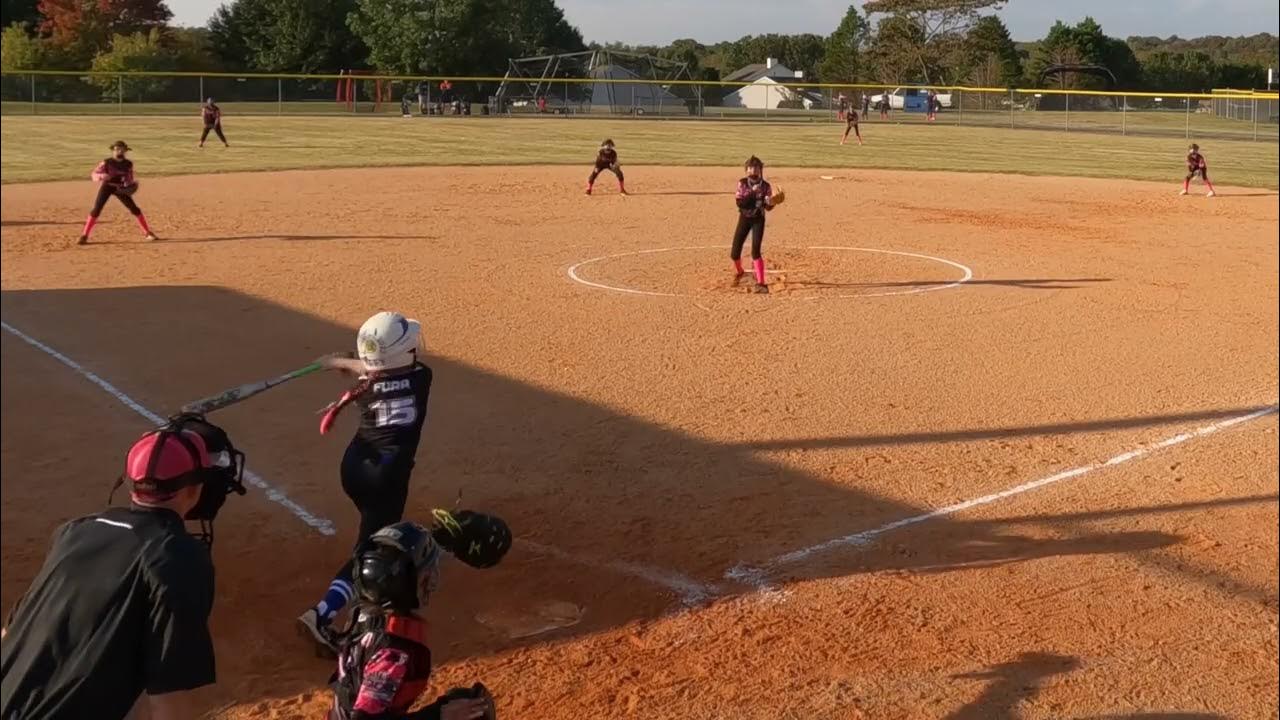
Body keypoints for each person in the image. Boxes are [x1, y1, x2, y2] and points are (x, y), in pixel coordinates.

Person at [1, 413, 248, 720]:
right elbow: (168, 700)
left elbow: (10, 632)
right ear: (194, 489)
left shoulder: (74, 532)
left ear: (131, 485)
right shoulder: (180, 557)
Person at [299, 312, 434, 654]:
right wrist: (340, 361)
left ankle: (351, 604)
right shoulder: (422, 377)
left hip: (355, 467)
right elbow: (378, 368)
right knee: (370, 551)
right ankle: (322, 615)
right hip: (387, 478)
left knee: (374, 528)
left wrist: (333, 362)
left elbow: (371, 369)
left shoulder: (365, 388)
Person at [326, 514, 511, 720]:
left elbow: (390, 561)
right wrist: (437, 715)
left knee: (463, 704)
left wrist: (446, 537)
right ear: (405, 583)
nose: (430, 580)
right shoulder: (393, 651)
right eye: (424, 575)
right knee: (473, 715)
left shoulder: (365, 611)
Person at [77, 140, 158, 246]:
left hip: (120, 189)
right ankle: (84, 236)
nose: (119, 151)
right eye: (117, 149)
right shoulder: (106, 162)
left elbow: (129, 177)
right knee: (96, 210)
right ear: (113, 151)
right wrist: (102, 176)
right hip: (107, 187)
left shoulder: (128, 164)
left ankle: (147, 233)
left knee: (135, 209)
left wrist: (131, 185)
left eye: (122, 149)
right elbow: (94, 174)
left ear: (125, 151)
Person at [730, 156, 781, 295]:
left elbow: (767, 207)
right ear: (746, 170)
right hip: (744, 219)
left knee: (755, 251)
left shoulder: (766, 186)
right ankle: (740, 271)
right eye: (750, 168)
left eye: (756, 167)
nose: (753, 170)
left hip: (758, 220)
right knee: (734, 253)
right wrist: (753, 193)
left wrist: (772, 203)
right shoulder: (742, 183)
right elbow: (740, 203)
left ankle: (761, 283)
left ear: (760, 169)